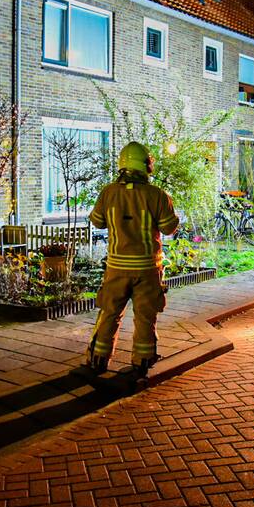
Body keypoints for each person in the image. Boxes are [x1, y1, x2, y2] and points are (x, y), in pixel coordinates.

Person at [85, 142, 179, 375]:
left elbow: (96, 221)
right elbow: (169, 228)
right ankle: (142, 360)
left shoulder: (108, 193)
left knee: (109, 312)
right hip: (147, 268)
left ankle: (99, 357)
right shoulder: (157, 195)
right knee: (145, 316)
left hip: (117, 267)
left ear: (122, 166)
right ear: (146, 166)